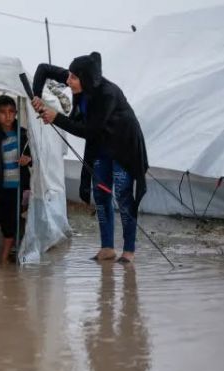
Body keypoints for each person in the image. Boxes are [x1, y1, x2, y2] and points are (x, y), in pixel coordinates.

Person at [31, 52, 149, 264]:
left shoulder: (107, 94)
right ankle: (107, 248)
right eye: (69, 76)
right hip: (101, 146)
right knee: (101, 195)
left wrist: (56, 117)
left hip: (124, 147)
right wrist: (37, 96)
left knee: (123, 196)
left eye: (73, 78)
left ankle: (129, 250)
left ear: (85, 79)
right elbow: (43, 69)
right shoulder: (76, 77)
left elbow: (89, 130)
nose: (68, 81)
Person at [0, 95, 32, 265]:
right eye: (3, 112)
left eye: (11, 112)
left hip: (16, 188)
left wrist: (29, 159)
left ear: (16, 113)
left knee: (11, 221)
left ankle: (4, 257)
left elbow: (36, 157)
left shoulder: (24, 135)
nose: (8, 116)